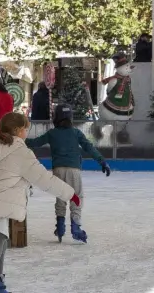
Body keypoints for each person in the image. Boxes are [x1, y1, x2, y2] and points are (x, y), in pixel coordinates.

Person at [0, 112, 77, 293]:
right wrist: (70, 193)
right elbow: (44, 178)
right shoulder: (21, 152)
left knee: (1, 244)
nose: (27, 133)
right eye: (26, 129)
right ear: (19, 130)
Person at [25, 103, 110, 243]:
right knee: (76, 196)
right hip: (74, 170)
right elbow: (89, 147)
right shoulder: (76, 133)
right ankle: (75, 227)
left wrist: (18, 139)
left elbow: (35, 142)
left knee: (61, 196)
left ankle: (60, 226)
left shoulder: (52, 133)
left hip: (58, 170)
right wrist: (102, 161)